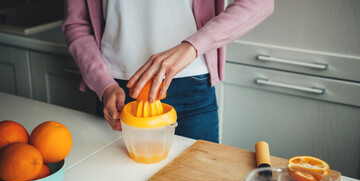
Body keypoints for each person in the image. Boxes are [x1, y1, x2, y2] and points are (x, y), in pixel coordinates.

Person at [62, 0, 274, 143]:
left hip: (191, 87)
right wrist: (103, 84)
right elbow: (76, 24)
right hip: (115, 92)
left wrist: (191, 47)